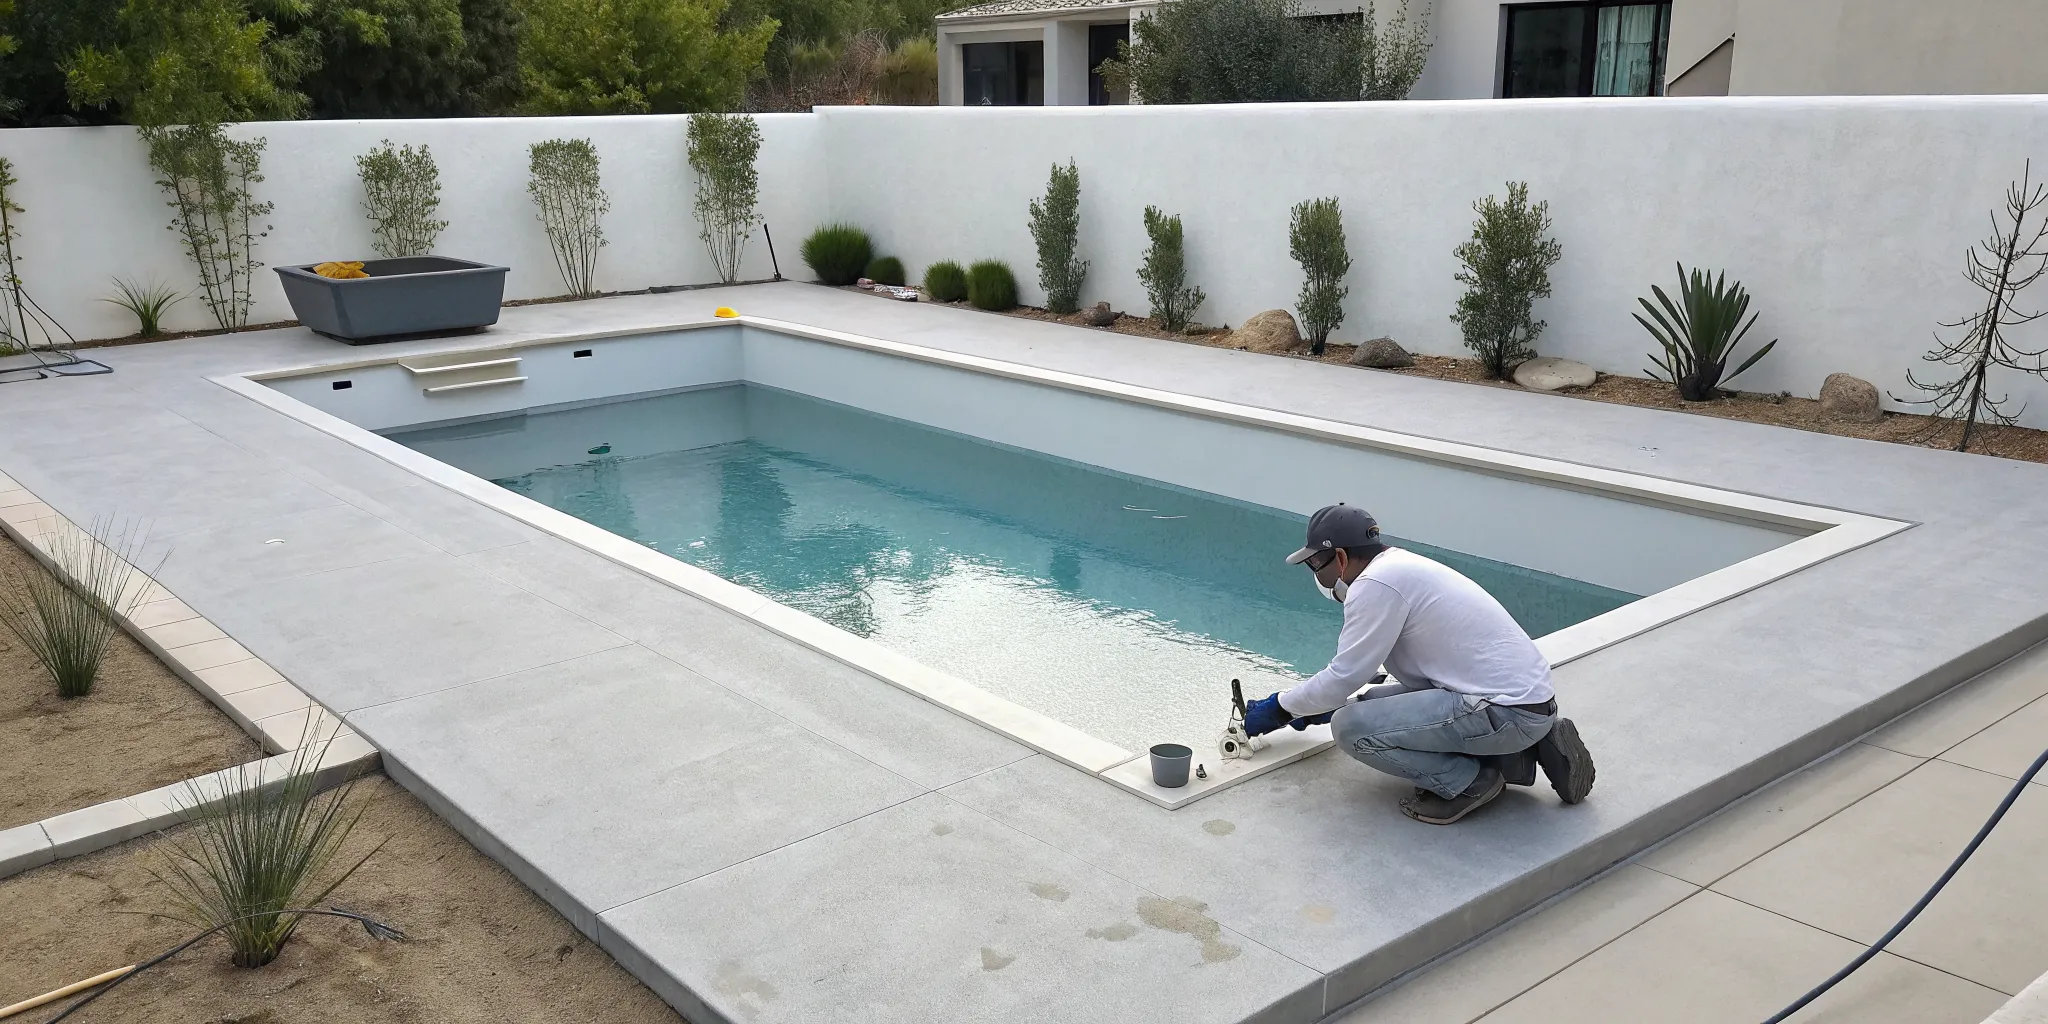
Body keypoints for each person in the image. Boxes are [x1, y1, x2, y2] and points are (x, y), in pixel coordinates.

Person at [1242, 503, 1595, 825]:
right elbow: (1378, 684)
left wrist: (1281, 707)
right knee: (1367, 705)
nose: (1315, 572)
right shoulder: (1402, 566)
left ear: (1340, 557)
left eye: (1315, 563)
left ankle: (1470, 782)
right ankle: (1523, 749)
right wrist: (1321, 703)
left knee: (1351, 728)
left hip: (1505, 711)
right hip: (1524, 698)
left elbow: (1344, 676)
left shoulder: (1373, 586)